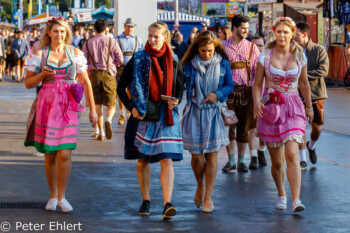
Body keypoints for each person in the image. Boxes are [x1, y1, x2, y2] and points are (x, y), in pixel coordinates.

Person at [24, 17, 98, 212]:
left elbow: (86, 82)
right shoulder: (39, 54)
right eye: (56, 31)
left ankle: (62, 196)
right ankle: (52, 195)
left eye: (62, 31)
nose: (59, 35)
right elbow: (28, 83)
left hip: (68, 106)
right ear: (49, 32)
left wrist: (93, 111)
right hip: (47, 105)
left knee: (65, 153)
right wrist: (42, 75)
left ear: (67, 34)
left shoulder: (75, 53)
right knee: (49, 155)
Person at [117, 22, 184, 220]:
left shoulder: (173, 58)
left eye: (156, 36)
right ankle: (146, 199)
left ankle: (167, 203)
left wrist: (175, 99)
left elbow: (180, 87)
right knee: (142, 160)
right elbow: (121, 87)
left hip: (165, 115)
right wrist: (132, 108)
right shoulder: (138, 57)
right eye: (150, 35)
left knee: (166, 158)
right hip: (143, 114)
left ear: (165, 37)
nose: (152, 39)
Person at [252, 17, 313, 212]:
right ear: (274, 32)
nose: (282, 35)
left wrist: (309, 107)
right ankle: (281, 193)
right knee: (277, 161)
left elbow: (304, 83)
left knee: (292, 153)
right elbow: (257, 84)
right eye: (279, 31)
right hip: (271, 108)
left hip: (293, 105)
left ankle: (296, 200)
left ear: (292, 33)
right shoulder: (265, 56)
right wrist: (256, 102)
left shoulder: (299, 54)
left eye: (286, 32)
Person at [181, 31, 234, 212]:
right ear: (197, 48)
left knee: (212, 155)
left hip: (214, 113)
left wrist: (217, 95)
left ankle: (209, 197)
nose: (207, 54)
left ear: (215, 48)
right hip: (194, 112)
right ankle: (200, 185)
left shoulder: (223, 63)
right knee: (196, 157)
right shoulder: (189, 64)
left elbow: (229, 85)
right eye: (203, 51)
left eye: (210, 51)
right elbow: (179, 85)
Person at [221, 14, 260, 173]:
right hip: (228, 92)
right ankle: (231, 161)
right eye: (243, 28)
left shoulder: (252, 48)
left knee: (244, 128)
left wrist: (258, 95)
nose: (246, 31)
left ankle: (241, 161)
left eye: (247, 28)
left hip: (246, 92)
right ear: (235, 28)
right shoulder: (222, 46)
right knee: (229, 127)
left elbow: (258, 73)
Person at [295, 21, 329, 170]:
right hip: (296, 94)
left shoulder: (318, 49)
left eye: (295, 34)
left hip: (316, 94)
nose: (293, 37)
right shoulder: (291, 51)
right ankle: (302, 159)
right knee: (299, 127)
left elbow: (324, 70)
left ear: (305, 34)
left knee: (317, 128)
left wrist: (302, 76)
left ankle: (311, 145)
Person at [82, 19, 123, 141]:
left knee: (97, 105)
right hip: (108, 73)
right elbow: (120, 58)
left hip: (93, 74)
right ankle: (109, 120)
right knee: (111, 104)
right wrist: (114, 64)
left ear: (94, 29)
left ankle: (101, 132)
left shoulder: (87, 43)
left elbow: (83, 61)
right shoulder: (112, 41)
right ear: (106, 29)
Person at [115, 18, 143, 125]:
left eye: (132, 27)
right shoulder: (117, 39)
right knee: (121, 90)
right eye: (128, 26)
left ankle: (129, 113)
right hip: (121, 68)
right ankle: (122, 113)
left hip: (133, 68)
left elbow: (141, 53)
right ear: (124, 26)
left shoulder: (137, 39)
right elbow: (112, 53)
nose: (130, 28)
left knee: (131, 91)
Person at [251, 36, 268, 165]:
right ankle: (253, 157)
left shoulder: (268, 59)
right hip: (251, 96)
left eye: (260, 45)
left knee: (263, 127)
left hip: (267, 96)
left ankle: (261, 150)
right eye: (255, 45)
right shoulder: (249, 60)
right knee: (252, 127)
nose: (258, 48)